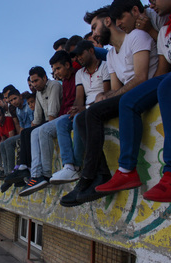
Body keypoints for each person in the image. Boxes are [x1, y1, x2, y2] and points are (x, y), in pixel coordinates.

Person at [95, 0, 171, 202]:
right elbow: (162, 71)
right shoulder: (165, 30)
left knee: (169, 86)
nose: (150, 3)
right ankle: (126, 171)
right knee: (128, 101)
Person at [61, 5, 158, 206]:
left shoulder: (136, 37)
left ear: (107, 22)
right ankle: (100, 174)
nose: (94, 34)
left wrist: (110, 96)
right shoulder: (113, 54)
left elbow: (141, 78)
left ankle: (88, 176)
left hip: (147, 90)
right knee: (82, 117)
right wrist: (104, 96)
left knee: (93, 113)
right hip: (128, 96)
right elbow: (115, 89)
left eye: (95, 27)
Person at [50, 40, 110, 191]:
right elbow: (79, 97)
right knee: (62, 123)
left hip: (99, 105)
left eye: (80, 54)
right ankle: (68, 165)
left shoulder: (105, 66)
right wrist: (76, 108)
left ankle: (76, 165)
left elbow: (107, 92)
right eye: (76, 56)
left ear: (91, 50)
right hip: (85, 107)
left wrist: (82, 109)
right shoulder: (80, 74)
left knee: (78, 119)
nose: (78, 59)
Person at [19, 52, 76, 196]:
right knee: (31, 132)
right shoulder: (38, 93)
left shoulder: (55, 85)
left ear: (45, 78)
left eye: (36, 81)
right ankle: (35, 175)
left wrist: (42, 127)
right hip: (54, 120)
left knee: (43, 131)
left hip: (60, 117)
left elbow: (52, 114)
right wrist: (35, 127)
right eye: (32, 82)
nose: (34, 85)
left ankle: (45, 174)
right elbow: (37, 118)